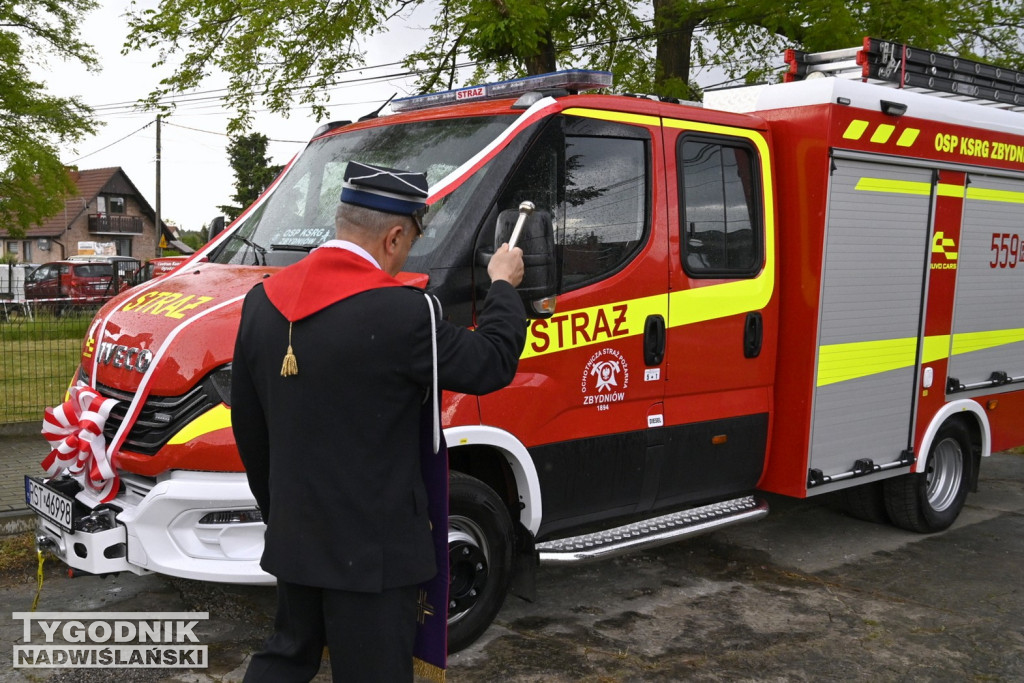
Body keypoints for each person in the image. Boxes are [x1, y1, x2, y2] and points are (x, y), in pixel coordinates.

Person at [230, 161, 526, 682]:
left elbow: (250, 431)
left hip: (296, 535)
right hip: (375, 552)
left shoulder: (260, 303)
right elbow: (493, 361)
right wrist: (503, 286)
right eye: (411, 239)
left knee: (286, 657)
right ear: (394, 236)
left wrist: (283, 513)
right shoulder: (407, 313)